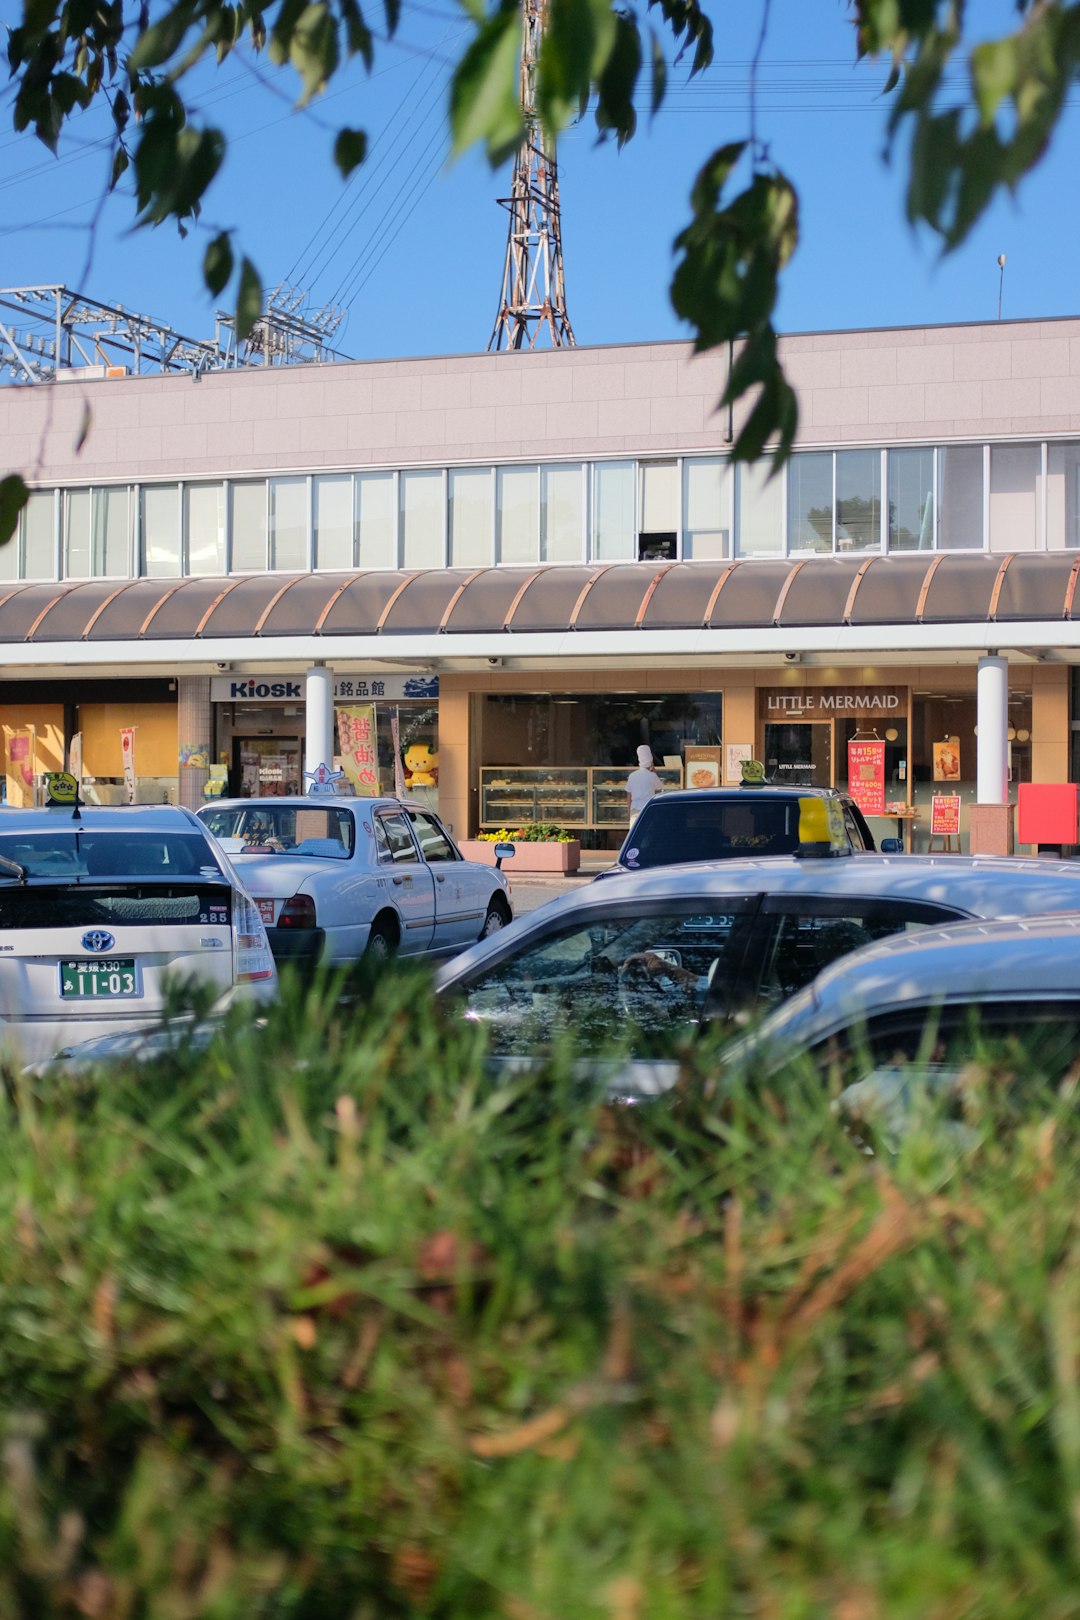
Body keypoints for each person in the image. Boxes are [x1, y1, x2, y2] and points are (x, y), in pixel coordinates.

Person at [625, 744, 662, 824]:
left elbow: (629, 795)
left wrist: (628, 809)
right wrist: (654, 772)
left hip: (635, 809)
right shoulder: (652, 776)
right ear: (651, 762)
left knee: (635, 833)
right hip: (648, 808)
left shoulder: (632, 775)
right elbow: (659, 788)